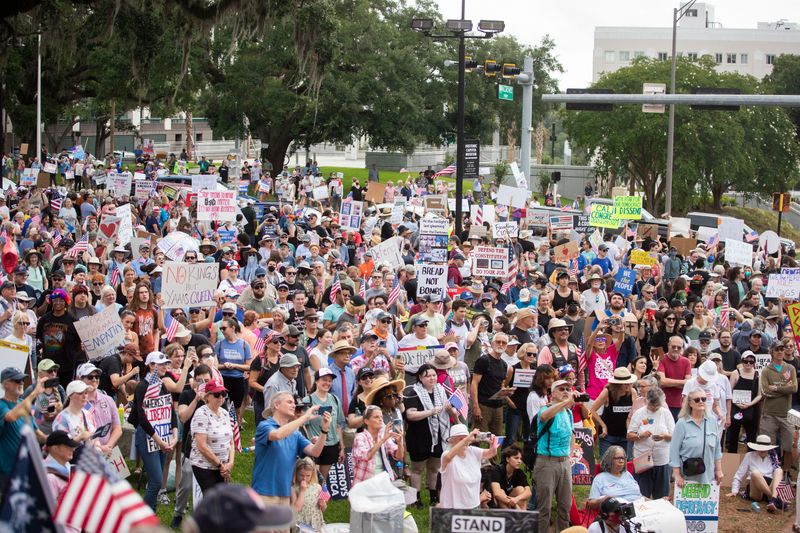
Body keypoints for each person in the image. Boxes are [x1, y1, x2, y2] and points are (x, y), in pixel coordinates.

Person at [252, 391, 330, 505]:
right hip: (264, 493)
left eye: (293, 403)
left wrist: (324, 430)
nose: (294, 405)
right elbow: (278, 435)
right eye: (289, 402)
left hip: (285, 494)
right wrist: (305, 417)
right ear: (277, 405)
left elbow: (315, 452)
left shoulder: (295, 433)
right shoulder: (264, 426)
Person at [128, 351, 178, 510]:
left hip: (163, 435)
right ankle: (144, 518)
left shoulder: (161, 384)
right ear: (151, 365)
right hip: (148, 436)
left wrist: (174, 436)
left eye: (165, 363)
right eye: (161, 363)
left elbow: (170, 411)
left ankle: (151, 514)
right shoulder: (142, 386)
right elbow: (142, 419)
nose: (165, 366)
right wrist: (160, 441)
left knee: (157, 480)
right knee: (156, 480)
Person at [403, 364, 454, 507]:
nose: (432, 378)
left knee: (434, 468)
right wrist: (431, 412)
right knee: (417, 469)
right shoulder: (413, 392)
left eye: (434, 375)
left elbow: (446, 411)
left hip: (439, 436)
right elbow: (410, 415)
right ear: (420, 377)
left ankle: (433, 495)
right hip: (419, 436)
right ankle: (415, 498)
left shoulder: (441, 390)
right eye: (428, 376)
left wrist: (450, 410)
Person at [534, 378, 580, 533]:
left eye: (568, 389)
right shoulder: (546, 409)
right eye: (562, 389)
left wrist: (571, 451)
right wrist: (565, 403)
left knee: (565, 506)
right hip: (547, 461)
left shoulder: (568, 412)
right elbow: (544, 417)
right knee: (544, 507)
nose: (566, 392)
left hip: (564, 461)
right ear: (552, 393)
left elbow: (572, 433)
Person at [669, 389, 723, 488]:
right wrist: (677, 475)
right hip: (687, 477)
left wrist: (719, 470)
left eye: (704, 399)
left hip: (708, 476)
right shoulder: (682, 423)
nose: (701, 401)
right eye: (697, 400)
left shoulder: (712, 421)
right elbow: (674, 450)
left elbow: (717, 449)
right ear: (690, 403)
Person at [627, 387, 674, 499]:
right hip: (642, 459)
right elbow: (629, 435)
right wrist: (640, 436)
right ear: (647, 401)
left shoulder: (666, 413)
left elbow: (674, 435)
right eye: (651, 405)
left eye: (657, 406)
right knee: (641, 494)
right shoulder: (639, 413)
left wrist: (664, 436)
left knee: (661, 495)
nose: (654, 408)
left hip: (661, 459)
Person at [439, 424, 500, 509]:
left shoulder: (472, 451)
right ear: (451, 441)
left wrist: (493, 443)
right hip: (452, 507)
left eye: (466, 437)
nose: (465, 441)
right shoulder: (446, 454)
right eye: (460, 439)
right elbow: (448, 457)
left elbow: (491, 453)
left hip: (474, 505)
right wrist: (467, 438)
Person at [189, 379, 234, 494]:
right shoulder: (201, 414)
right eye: (217, 394)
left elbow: (231, 440)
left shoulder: (224, 413)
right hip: (204, 466)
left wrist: (230, 463)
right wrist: (220, 465)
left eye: (223, 394)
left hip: (223, 465)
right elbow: (202, 446)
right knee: (212, 500)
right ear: (207, 396)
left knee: (222, 500)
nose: (221, 398)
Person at [759, 341, 798, 470]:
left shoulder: (790, 368)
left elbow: (794, 388)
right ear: (772, 352)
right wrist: (784, 388)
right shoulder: (766, 370)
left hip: (786, 414)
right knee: (769, 445)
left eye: (782, 349)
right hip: (769, 413)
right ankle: (770, 472)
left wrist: (776, 388)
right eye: (777, 349)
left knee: (788, 446)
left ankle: (785, 474)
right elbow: (765, 391)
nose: (781, 351)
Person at [302, 368, 345, 480]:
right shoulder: (307, 400)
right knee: (312, 477)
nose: (327, 383)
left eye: (330, 381)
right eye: (324, 380)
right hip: (314, 445)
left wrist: (342, 446)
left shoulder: (335, 399)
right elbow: (303, 425)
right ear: (316, 381)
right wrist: (308, 441)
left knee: (323, 479)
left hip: (331, 445)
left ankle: (321, 497)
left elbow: (338, 425)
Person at [351, 404, 405, 486]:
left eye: (381, 417)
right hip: (365, 484)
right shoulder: (360, 437)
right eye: (376, 417)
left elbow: (398, 456)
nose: (380, 419)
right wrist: (383, 440)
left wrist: (399, 443)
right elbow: (366, 456)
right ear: (366, 421)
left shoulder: (382, 435)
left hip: (384, 480)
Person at [728, 434, 784, 512]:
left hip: (769, 485)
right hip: (755, 489)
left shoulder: (773, 456)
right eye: (760, 448)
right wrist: (734, 491)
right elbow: (739, 475)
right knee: (755, 473)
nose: (762, 450)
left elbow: (778, 479)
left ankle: (773, 499)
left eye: (764, 449)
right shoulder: (749, 456)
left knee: (779, 470)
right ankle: (774, 499)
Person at [590, 367, 637, 458]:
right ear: (617, 384)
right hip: (608, 435)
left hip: (625, 435)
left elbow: (635, 413)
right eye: (625, 384)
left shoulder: (633, 392)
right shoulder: (607, 392)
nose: (628, 386)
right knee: (606, 461)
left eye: (629, 383)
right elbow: (592, 410)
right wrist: (603, 425)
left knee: (625, 462)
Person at [471, 332, 510, 435]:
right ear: (492, 344)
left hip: (498, 407)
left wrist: (506, 392)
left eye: (504, 342)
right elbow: (474, 383)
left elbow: (501, 385)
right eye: (498, 341)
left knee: (496, 439)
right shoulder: (483, 360)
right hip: (483, 405)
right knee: (477, 439)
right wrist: (475, 406)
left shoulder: (504, 364)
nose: (501, 344)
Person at [727, 350, 762, 453]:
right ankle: (731, 459)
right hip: (736, 407)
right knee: (733, 436)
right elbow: (730, 391)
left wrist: (750, 404)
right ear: (742, 361)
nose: (748, 364)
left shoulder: (757, 374)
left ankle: (751, 461)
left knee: (751, 437)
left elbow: (759, 394)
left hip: (751, 408)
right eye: (745, 361)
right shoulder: (735, 373)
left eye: (751, 362)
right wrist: (736, 402)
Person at [657, 336, 692, 420]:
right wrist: (682, 382)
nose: (676, 349)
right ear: (668, 345)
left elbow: (689, 384)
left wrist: (668, 383)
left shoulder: (686, 361)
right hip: (663, 403)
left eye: (679, 347)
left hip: (681, 405)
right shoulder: (661, 358)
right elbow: (662, 382)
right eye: (673, 346)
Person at [490, 444, 532, 509]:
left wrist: (517, 499)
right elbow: (496, 493)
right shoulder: (497, 470)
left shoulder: (519, 472)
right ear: (507, 459)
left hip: (511, 498)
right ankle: (511, 516)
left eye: (520, 459)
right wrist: (514, 503)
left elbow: (528, 492)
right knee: (501, 492)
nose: (519, 461)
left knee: (520, 490)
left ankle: (522, 517)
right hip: (495, 501)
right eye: (516, 458)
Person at [291, 458, 326, 531]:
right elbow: (296, 509)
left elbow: (323, 509)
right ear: (296, 473)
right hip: (302, 524)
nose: (304, 478)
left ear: (312, 474)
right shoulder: (293, 489)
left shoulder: (318, 487)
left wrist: (323, 504)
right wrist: (302, 491)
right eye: (301, 475)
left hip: (316, 522)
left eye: (308, 476)